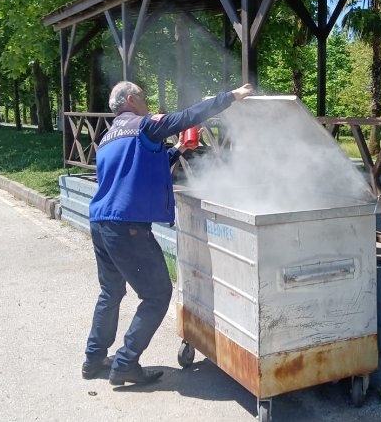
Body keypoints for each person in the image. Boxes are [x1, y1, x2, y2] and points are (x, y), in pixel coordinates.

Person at [82, 81, 254, 385]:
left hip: (100, 223)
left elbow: (140, 170)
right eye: (144, 98)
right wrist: (231, 96)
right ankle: (125, 362)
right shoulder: (143, 125)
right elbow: (187, 116)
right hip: (128, 228)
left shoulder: (108, 137)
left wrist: (178, 149)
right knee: (158, 294)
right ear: (132, 99)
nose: (147, 103)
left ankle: (94, 359)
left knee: (111, 292)